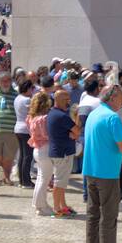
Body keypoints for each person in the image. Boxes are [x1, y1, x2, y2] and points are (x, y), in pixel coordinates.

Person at [82, 83, 122, 243]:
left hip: (91, 169)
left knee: (93, 213)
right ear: (112, 98)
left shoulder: (94, 114)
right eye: (120, 96)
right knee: (109, 214)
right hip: (107, 172)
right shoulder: (113, 118)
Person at [46, 88, 78, 217]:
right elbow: (77, 130)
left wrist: (73, 133)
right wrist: (76, 118)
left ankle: (62, 205)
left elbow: (74, 132)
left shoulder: (53, 113)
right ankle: (57, 208)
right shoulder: (62, 116)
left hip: (59, 151)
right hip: (62, 152)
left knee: (62, 181)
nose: (68, 102)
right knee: (59, 182)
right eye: (65, 100)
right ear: (57, 100)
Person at [27, 91, 54, 216]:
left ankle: (40, 204)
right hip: (44, 148)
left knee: (41, 178)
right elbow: (46, 135)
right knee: (44, 179)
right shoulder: (44, 118)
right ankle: (40, 206)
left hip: (37, 148)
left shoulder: (31, 117)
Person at [13, 78, 35, 189]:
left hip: (18, 128)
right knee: (27, 156)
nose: (32, 90)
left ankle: (22, 180)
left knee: (22, 156)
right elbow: (34, 112)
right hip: (26, 129)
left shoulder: (17, 98)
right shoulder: (27, 100)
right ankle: (26, 181)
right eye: (31, 88)